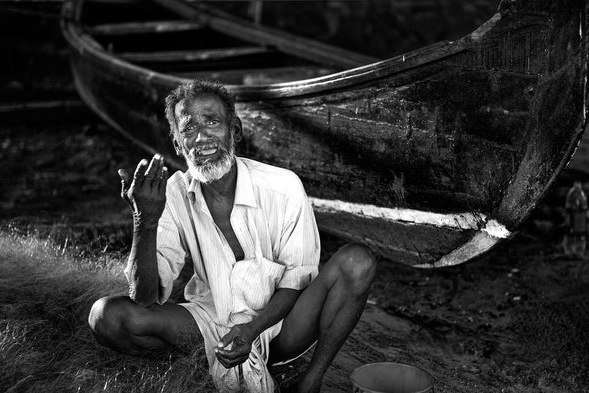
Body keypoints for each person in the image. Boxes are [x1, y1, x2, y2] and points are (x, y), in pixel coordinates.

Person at [88, 79, 377, 393]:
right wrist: (144, 220)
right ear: (177, 145)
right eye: (188, 128)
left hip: (280, 325)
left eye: (212, 122)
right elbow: (143, 298)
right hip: (209, 321)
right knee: (107, 316)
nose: (201, 137)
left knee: (357, 262)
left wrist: (251, 329)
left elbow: (297, 280)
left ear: (235, 130)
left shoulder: (283, 186)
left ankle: (309, 381)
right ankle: (209, 361)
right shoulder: (173, 193)